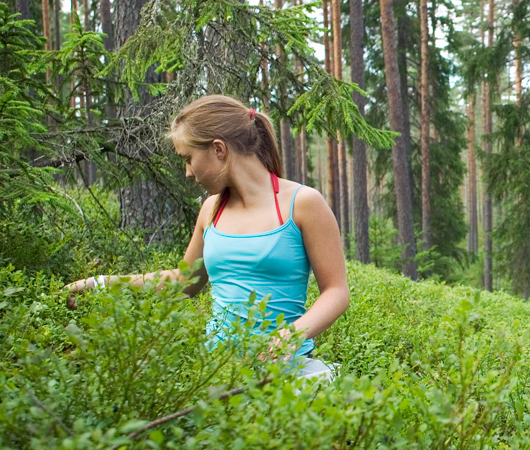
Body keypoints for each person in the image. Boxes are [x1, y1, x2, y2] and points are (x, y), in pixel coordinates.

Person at [65, 95, 350, 380]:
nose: (188, 173)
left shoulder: (303, 203)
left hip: (286, 371)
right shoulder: (211, 209)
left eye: (188, 159)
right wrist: (102, 284)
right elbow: (182, 283)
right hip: (217, 372)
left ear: (218, 149)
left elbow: (336, 292)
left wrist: (291, 335)